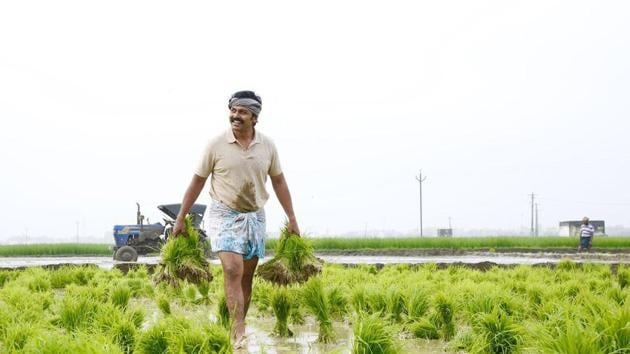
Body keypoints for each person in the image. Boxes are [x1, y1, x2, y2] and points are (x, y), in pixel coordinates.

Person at [172, 90, 300, 347]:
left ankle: (236, 323)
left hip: (254, 215)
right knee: (232, 268)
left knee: (246, 277)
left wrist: (292, 218)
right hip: (223, 213)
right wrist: (180, 217)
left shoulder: (267, 146)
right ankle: (239, 331)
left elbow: (279, 182)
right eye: (233, 110)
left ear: (255, 117)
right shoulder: (216, 144)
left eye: (242, 112)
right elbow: (197, 181)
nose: (235, 116)